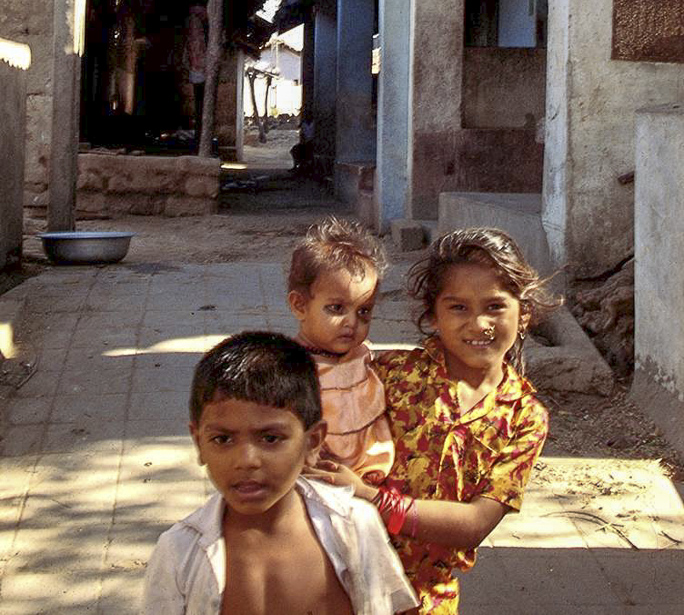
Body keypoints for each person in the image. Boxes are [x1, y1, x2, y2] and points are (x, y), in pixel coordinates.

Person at [308, 227, 559, 614]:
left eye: (495, 306)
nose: (478, 324)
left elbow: (476, 522)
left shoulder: (525, 418)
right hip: (341, 580)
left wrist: (373, 497)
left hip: (427, 599)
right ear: (434, 315)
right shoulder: (389, 374)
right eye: (458, 307)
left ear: (523, 313)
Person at [141, 330, 417, 615]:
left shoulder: (353, 527)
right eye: (222, 439)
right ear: (199, 442)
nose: (247, 460)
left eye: (270, 438)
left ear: (313, 442)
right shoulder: (179, 553)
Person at [288, 217, 394, 484]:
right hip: (316, 481)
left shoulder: (362, 355)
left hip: (371, 479)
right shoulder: (292, 368)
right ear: (300, 306)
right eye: (336, 308)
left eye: (364, 311)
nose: (352, 323)